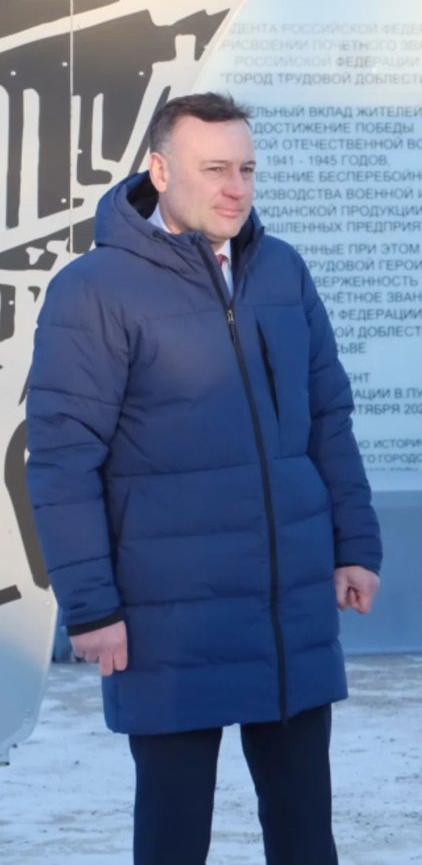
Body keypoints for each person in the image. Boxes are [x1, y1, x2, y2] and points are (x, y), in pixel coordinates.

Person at [25, 92, 382, 865]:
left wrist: (356, 544)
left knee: (304, 833)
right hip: (167, 618)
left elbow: (329, 419)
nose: (236, 187)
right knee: (173, 837)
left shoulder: (282, 270)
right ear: (159, 171)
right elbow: (61, 460)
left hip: (286, 607)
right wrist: (91, 609)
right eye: (214, 169)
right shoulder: (95, 290)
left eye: (247, 169)